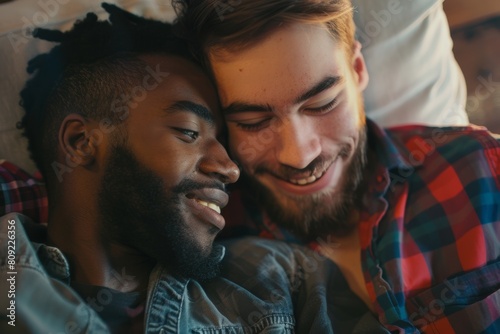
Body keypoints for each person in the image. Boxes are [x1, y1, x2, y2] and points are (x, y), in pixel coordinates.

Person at [0, 4, 392, 333]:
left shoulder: (283, 280)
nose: (230, 169)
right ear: (81, 142)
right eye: (189, 132)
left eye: (226, 138)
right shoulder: (11, 286)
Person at [174, 0, 500, 332]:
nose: (299, 155)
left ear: (357, 69)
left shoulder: (482, 166)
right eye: (253, 121)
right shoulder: (206, 243)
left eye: (322, 104)